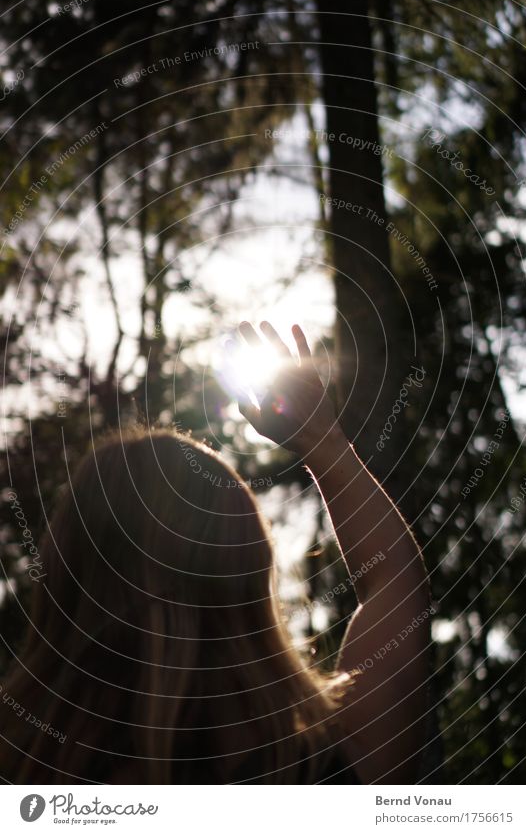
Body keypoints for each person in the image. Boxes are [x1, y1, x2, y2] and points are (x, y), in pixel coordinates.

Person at [0, 322, 430, 784]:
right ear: (247, 567)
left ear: (68, 577)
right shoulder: (318, 774)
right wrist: (320, 441)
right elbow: (396, 585)